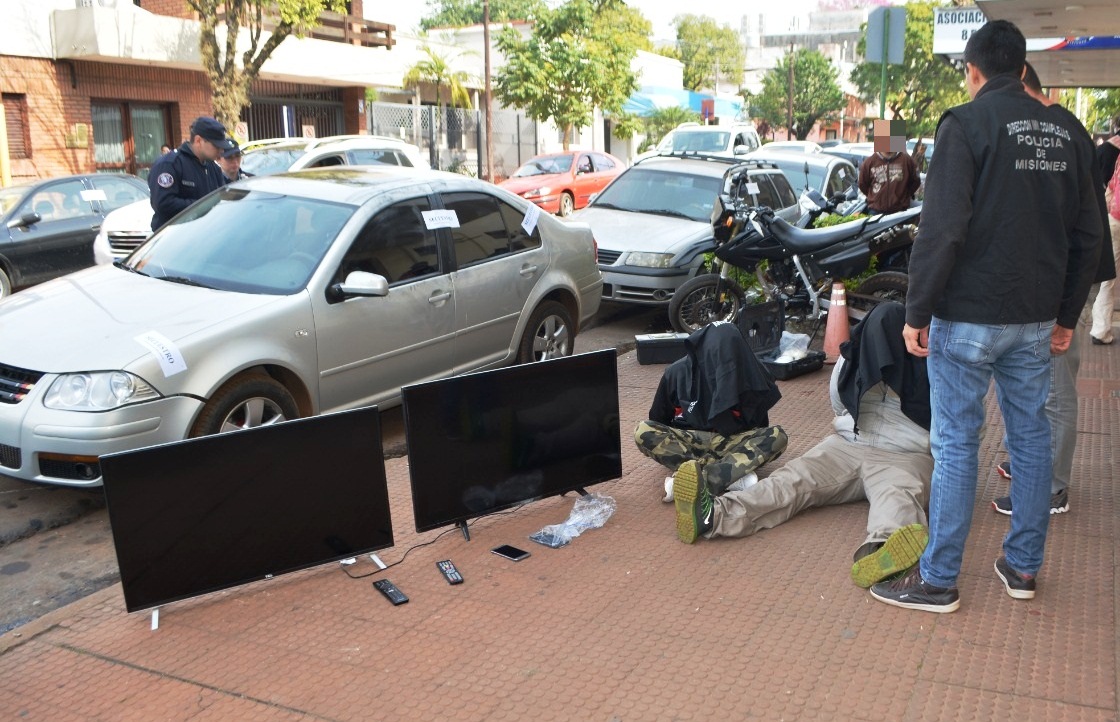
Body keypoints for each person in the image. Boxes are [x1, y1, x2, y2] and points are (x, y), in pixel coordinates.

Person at [874, 20, 1102, 614]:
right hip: (1036, 318)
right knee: (1030, 438)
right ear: (1022, 70)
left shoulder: (966, 123)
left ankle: (939, 579)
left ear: (972, 72)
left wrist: (916, 311)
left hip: (967, 318)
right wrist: (1067, 316)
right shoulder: (1069, 131)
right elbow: (1088, 235)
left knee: (956, 444)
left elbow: (942, 229)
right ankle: (1022, 567)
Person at [671, 302, 933, 589]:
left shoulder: (934, 366)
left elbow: (958, 426)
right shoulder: (853, 356)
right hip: (847, 445)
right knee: (792, 478)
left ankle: (885, 553)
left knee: (898, 495)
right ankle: (712, 516)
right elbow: (839, 403)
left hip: (906, 455)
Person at [992, 62, 1117, 516]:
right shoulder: (1045, 128)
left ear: (1021, 82)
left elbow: (1085, 224)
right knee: (1026, 381)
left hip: (1069, 277)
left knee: (1056, 387)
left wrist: (1068, 307)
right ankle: (1031, 463)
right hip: (1043, 276)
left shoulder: (1065, 130)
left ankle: (1052, 487)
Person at [634, 321, 788, 503]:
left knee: (778, 436)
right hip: (691, 443)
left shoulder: (752, 373)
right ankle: (730, 475)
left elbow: (760, 427)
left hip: (730, 442)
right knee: (643, 431)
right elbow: (658, 421)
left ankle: (695, 480)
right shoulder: (676, 373)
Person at [148, 116, 234, 231]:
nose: (221, 150)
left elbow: (221, 199)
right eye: (216, 146)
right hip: (175, 236)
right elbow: (163, 203)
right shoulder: (170, 164)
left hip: (205, 234)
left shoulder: (213, 168)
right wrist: (203, 204)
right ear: (198, 141)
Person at [1090, 114, 1120, 345]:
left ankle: (1100, 330)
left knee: (1107, 277)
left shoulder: (1106, 150)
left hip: (1112, 217)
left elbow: (1106, 185)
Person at [858, 118, 921, 215]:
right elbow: (863, 184)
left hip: (900, 213)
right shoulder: (869, 162)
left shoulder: (907, 161)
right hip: (875, 212)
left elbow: (915, 182)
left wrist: (903, 197)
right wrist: (876, 198)